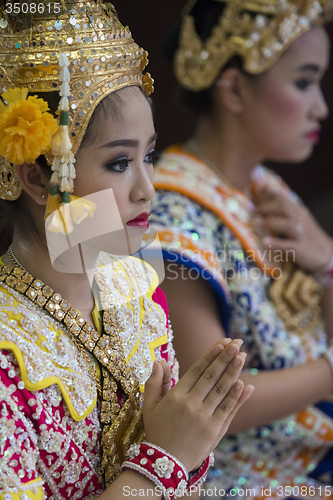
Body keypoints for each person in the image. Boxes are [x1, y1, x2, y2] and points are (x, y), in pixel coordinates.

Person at [0, 1, 254, 499]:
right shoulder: (8, 353)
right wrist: (165, 460)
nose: (148, 189)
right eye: (119, 163)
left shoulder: (136, 285)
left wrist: (192, 442)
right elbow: (172, 465)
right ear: (36, 177)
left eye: (149, 156)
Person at [149, 0, 333, 498]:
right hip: (237, 479)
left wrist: (329, 262)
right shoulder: (172, 214)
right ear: (233, 89)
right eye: (304, 81)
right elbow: (210, 400)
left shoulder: (265, 190)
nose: (321, 106)